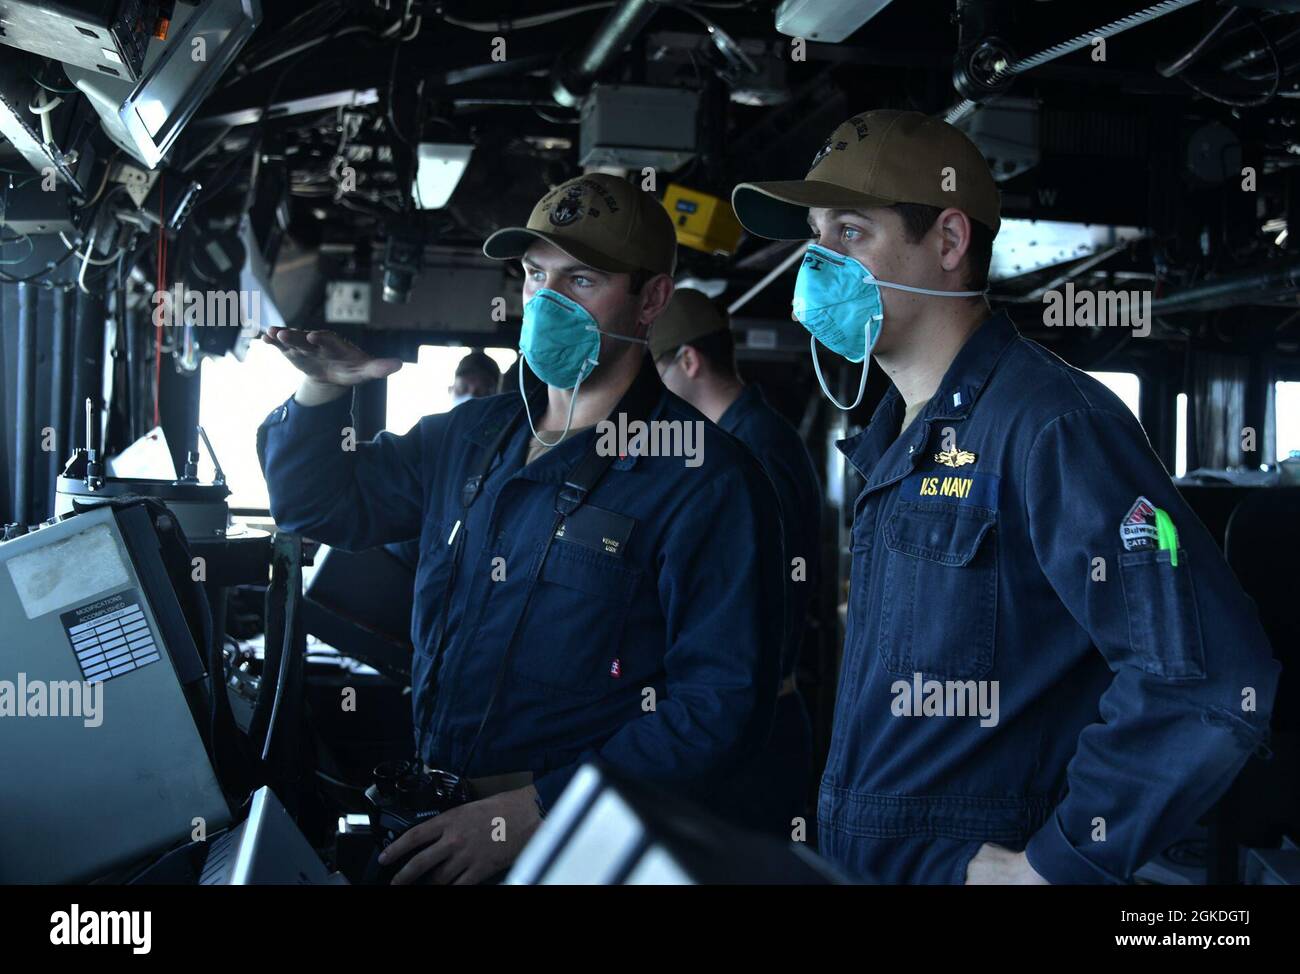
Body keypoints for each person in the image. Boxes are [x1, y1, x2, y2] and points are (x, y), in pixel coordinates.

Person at [731, 108, 1281, 884]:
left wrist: (1056, 866)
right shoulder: (895, 441)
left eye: (850, 231)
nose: (818, 263)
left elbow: (1212, 677)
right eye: (815, 235)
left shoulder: (1053, 426)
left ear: (950, 242)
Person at [257, 172, 784, 884]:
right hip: (446, 824)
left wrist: (543, 810)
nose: (548, 300)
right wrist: (319, 393)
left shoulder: (705, 478)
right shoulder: (472, 435)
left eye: (583, 279)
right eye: (537, 275)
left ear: (652, 298)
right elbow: (321, 507)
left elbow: (716, 709)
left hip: (583, 851)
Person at [649, 288, 822, 835]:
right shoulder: (737, 439)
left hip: (755, 731)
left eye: (652, 370)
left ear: (688, 360)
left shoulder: (755, 452)